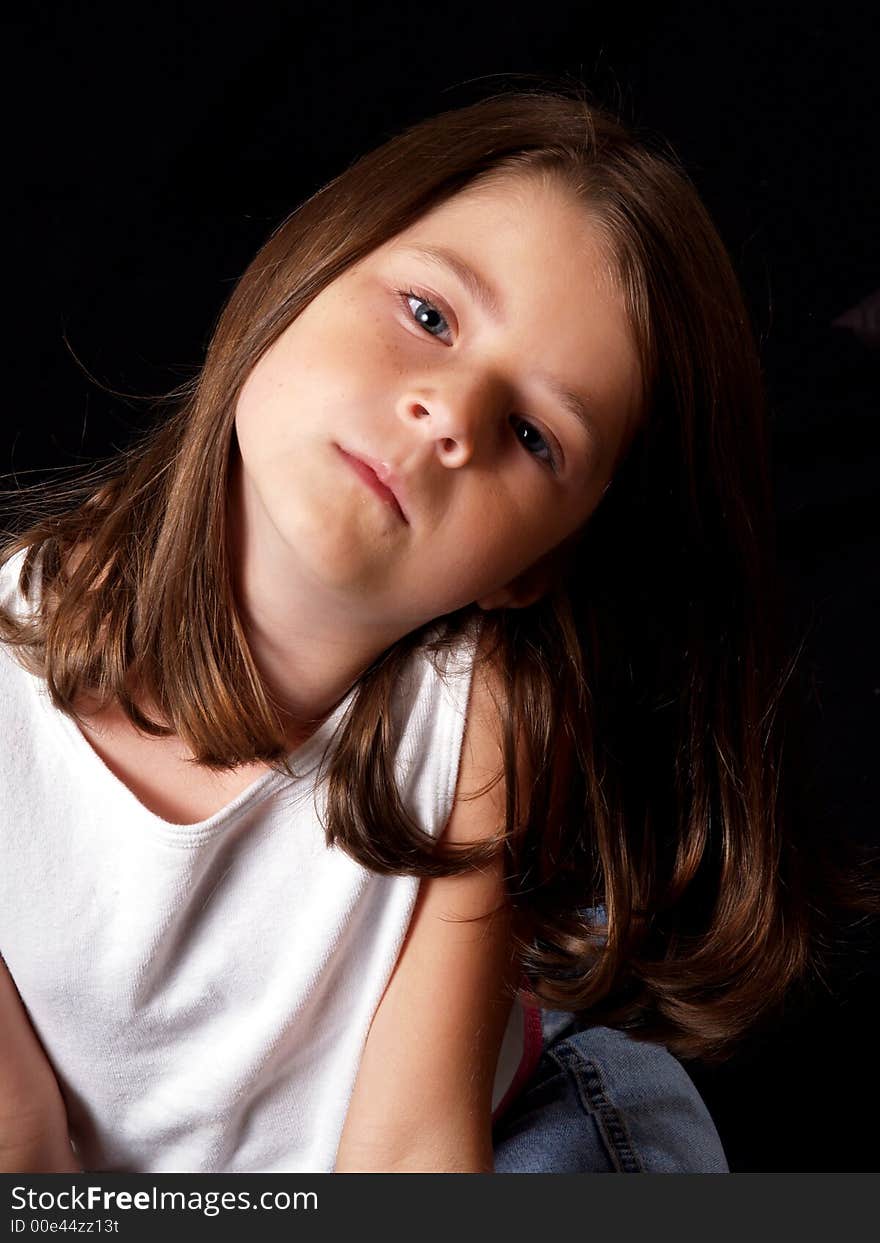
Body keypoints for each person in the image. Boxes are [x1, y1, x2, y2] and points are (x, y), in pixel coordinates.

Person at [0, 85, 835, 1174]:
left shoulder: (485, 717)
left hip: (487, 1117)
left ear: (527, 570)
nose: (448, 412)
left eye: (533, 435)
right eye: (429, 316)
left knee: (612, 1143)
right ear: (301, 274)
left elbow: (408, 1152)